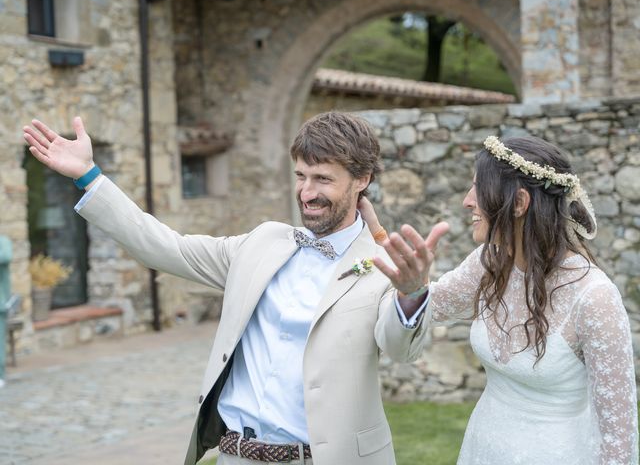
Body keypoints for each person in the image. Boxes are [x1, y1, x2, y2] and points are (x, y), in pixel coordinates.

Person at [23, 112, 449, 465]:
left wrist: (412, 293)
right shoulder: (262, 242)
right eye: (301, 176)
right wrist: (88, 177)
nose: (307, 192)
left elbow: (401, 350)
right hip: (235, 456)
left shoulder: (385, 265)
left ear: (362, 180)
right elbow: (165, 247)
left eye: (322, 179)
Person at [362, 135, 639, 464]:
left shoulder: (594, 297)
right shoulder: (487, 263)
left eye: (478, 189)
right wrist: (379, 238)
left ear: (520, 203)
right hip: (483, 450)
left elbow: (619, 438)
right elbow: (424, 304)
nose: (467, 201)